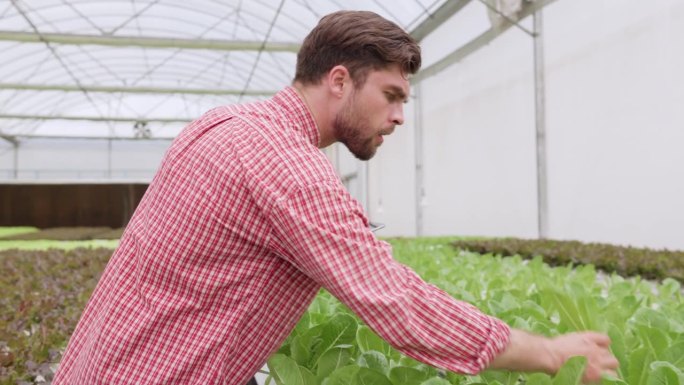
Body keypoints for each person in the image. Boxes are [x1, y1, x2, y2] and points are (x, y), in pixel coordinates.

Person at [53, 10, 618, 385]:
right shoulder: (287, 166)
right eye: (391, 95)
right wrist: (548, 354)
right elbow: (395, 301)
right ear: (340, 80)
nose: (399, 116)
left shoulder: (223, 124)